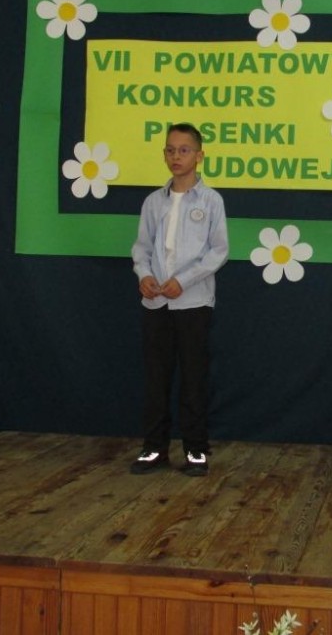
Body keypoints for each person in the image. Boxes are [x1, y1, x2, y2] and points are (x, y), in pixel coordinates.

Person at [130, 123, 228, 477]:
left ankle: (196, 450)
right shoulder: (153, 202)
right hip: (156, 303)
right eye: (170, 150)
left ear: (199, 156)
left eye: (184, 150)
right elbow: (141, 247)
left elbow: (218, 251)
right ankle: (154, 448)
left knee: (193, 378)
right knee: (156, 378)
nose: (176, 156)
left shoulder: (211, 201)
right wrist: (144, 276)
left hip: (193, 303)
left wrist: (182, 281)